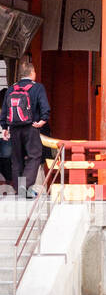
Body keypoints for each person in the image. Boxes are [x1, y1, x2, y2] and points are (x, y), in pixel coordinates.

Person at [4, 59, 52, 198]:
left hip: (14, 128)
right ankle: (25, 186)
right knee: (34, 156)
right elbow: (45, 107)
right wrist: (42, 120)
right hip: (31, 127)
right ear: (32, 73)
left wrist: (5, 127)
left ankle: (19, 190)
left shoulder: (12, 88)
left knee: (16, 159)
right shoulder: (37, 87)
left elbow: (6, 110)